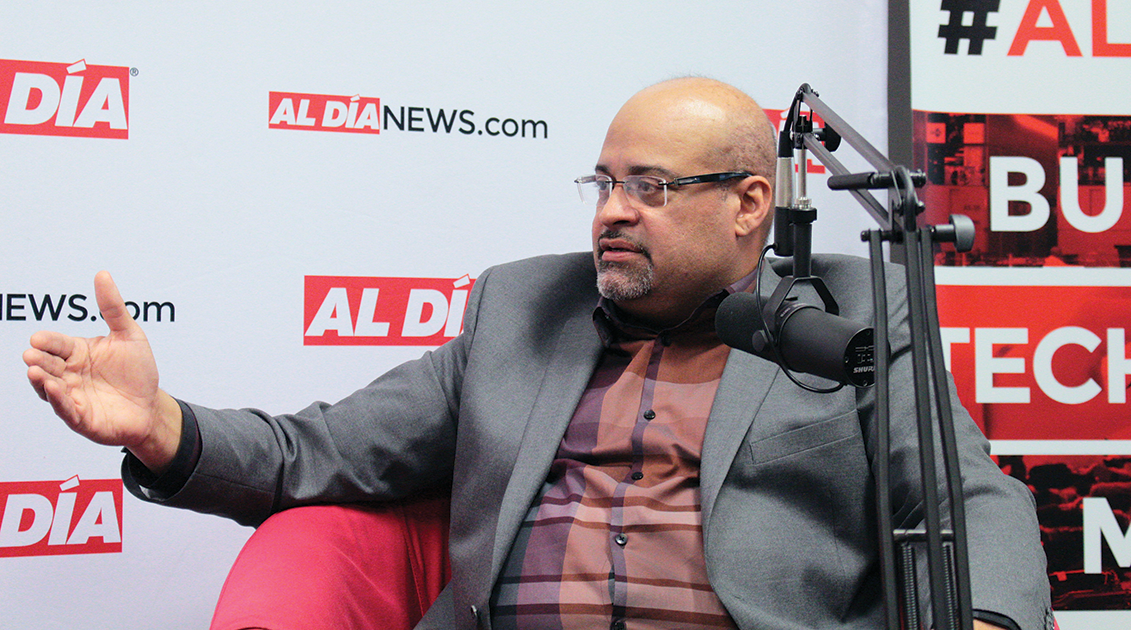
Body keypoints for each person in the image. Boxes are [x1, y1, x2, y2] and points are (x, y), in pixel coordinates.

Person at [24, 78, 1052, 630]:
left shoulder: (853, 311)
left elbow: (969, 503)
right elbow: (325, 452)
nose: (610, 212)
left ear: (750, 204)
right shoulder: (520, 308)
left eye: (648, 188)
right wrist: (165, 429)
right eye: (600, 183)